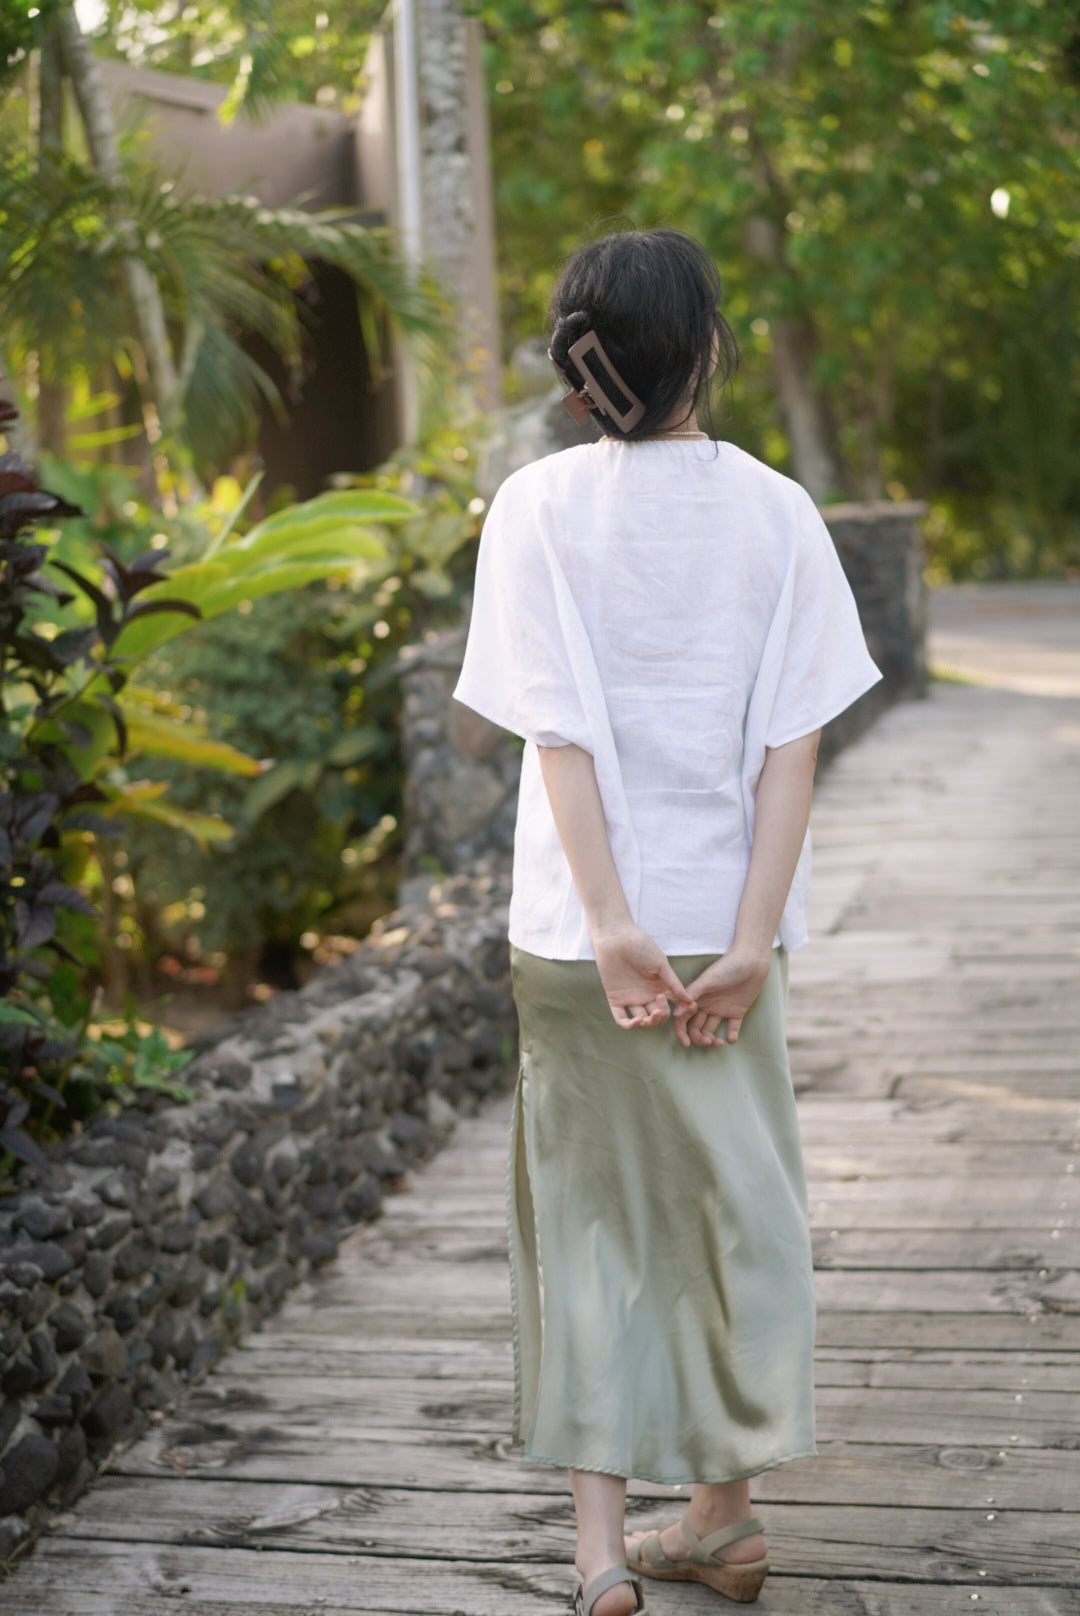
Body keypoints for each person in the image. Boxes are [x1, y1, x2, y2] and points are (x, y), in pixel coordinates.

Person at [453, 227, 882, 1616]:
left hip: (582, 939)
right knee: (727, 1209)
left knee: (586, 1224)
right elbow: (790, 745)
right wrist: (748, 940)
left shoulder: (533, 509)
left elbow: (558, 739)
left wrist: (610, 920)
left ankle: (598, 1560)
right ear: (704, 351)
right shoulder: (779, 514)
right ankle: (725, 1518)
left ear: (582, 370)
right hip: (720, 929)